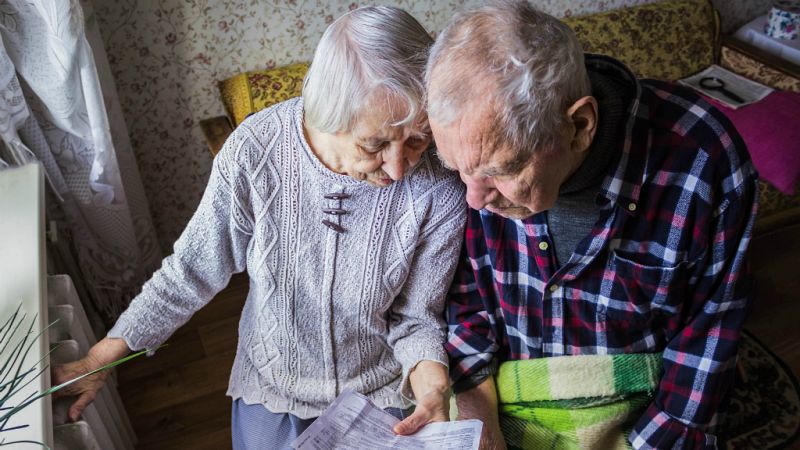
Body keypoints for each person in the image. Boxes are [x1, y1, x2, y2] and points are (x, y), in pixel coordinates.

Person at [54, 6, 466, 449]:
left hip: (380, 391)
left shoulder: (440, 185)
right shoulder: (255, 153)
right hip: (274, 386)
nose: (400, 167)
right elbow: (190, 271)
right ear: (330, 113)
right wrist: (98, 360)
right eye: (374, 144)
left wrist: (432, 387)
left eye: (418, 139)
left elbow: (415, 317)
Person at [426, 2, 758, 449]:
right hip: (507, 405)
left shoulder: (704, 161)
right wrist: (478, 419)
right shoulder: (474, 152)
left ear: (580, 125)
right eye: (459, 170)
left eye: (501, 171)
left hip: (638, 420)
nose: (474, 198)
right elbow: (466, 305)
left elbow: (706, 346)